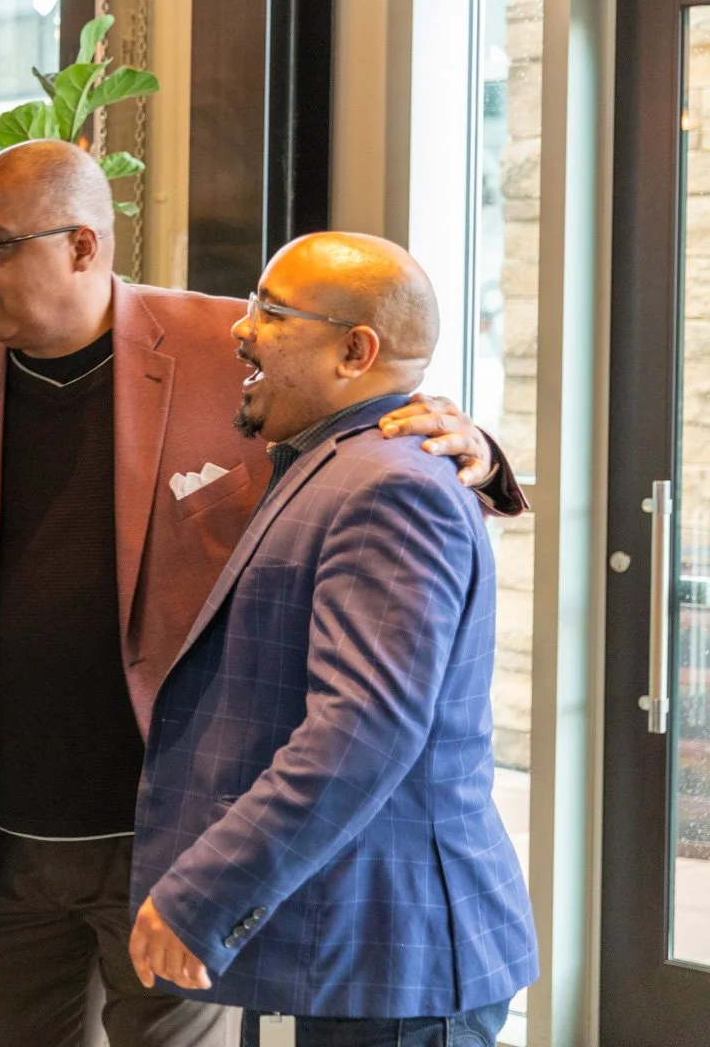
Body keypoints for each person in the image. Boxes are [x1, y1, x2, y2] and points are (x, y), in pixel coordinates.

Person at [0, 139, 527, 1047]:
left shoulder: (236, 347)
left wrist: (471, 447)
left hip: (173, 828)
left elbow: (376, 406)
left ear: (84, 245)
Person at [126, 232, 539, 1045]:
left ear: (357, 350)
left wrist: (205, 892)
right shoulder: (333, 454)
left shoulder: (390, 483)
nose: (239, 330)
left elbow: (362, 732)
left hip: (397, 955)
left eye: (271, 313)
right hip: (344, 948)